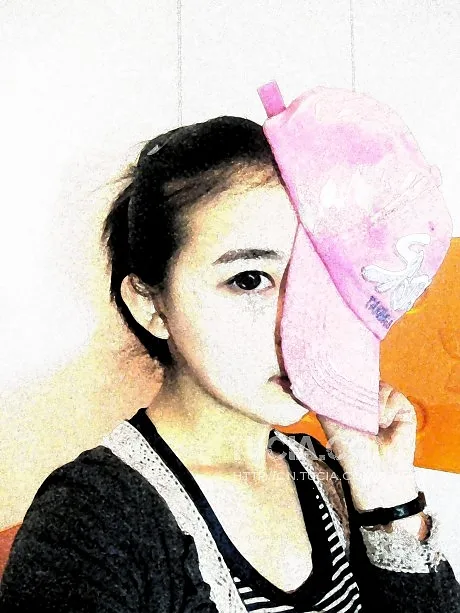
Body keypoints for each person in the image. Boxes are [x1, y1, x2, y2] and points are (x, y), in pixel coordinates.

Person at [1, 116, 459, 613]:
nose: (301, 326)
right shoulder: (88, 525)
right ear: (152, 306)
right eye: (249, 280)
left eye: (322, 279)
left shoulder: (329, 474)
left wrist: (388, 497)